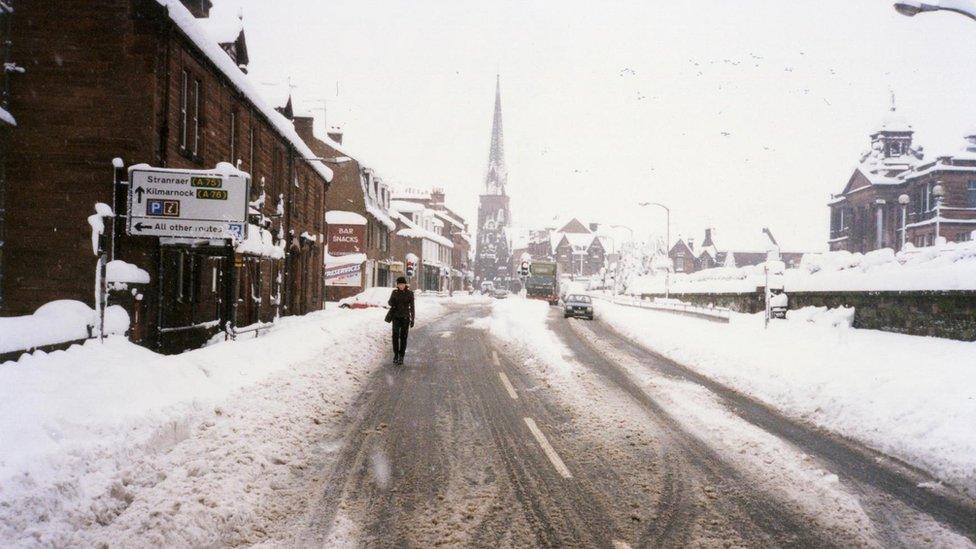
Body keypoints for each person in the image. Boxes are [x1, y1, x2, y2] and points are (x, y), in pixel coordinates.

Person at [388, 276, 415, 365]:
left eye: (402, 284)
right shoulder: (394, 292)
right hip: (396, 317)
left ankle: (401, 356)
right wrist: (393, 299)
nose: (401, 286)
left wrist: (412, 319)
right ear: (397, 285)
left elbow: (412, 307)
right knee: (395, 337)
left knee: (403, 337)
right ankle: (396, 355)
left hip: (405, 318)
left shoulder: (410, 293)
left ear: (405, 284)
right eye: (399, 284)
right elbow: (390, 303)